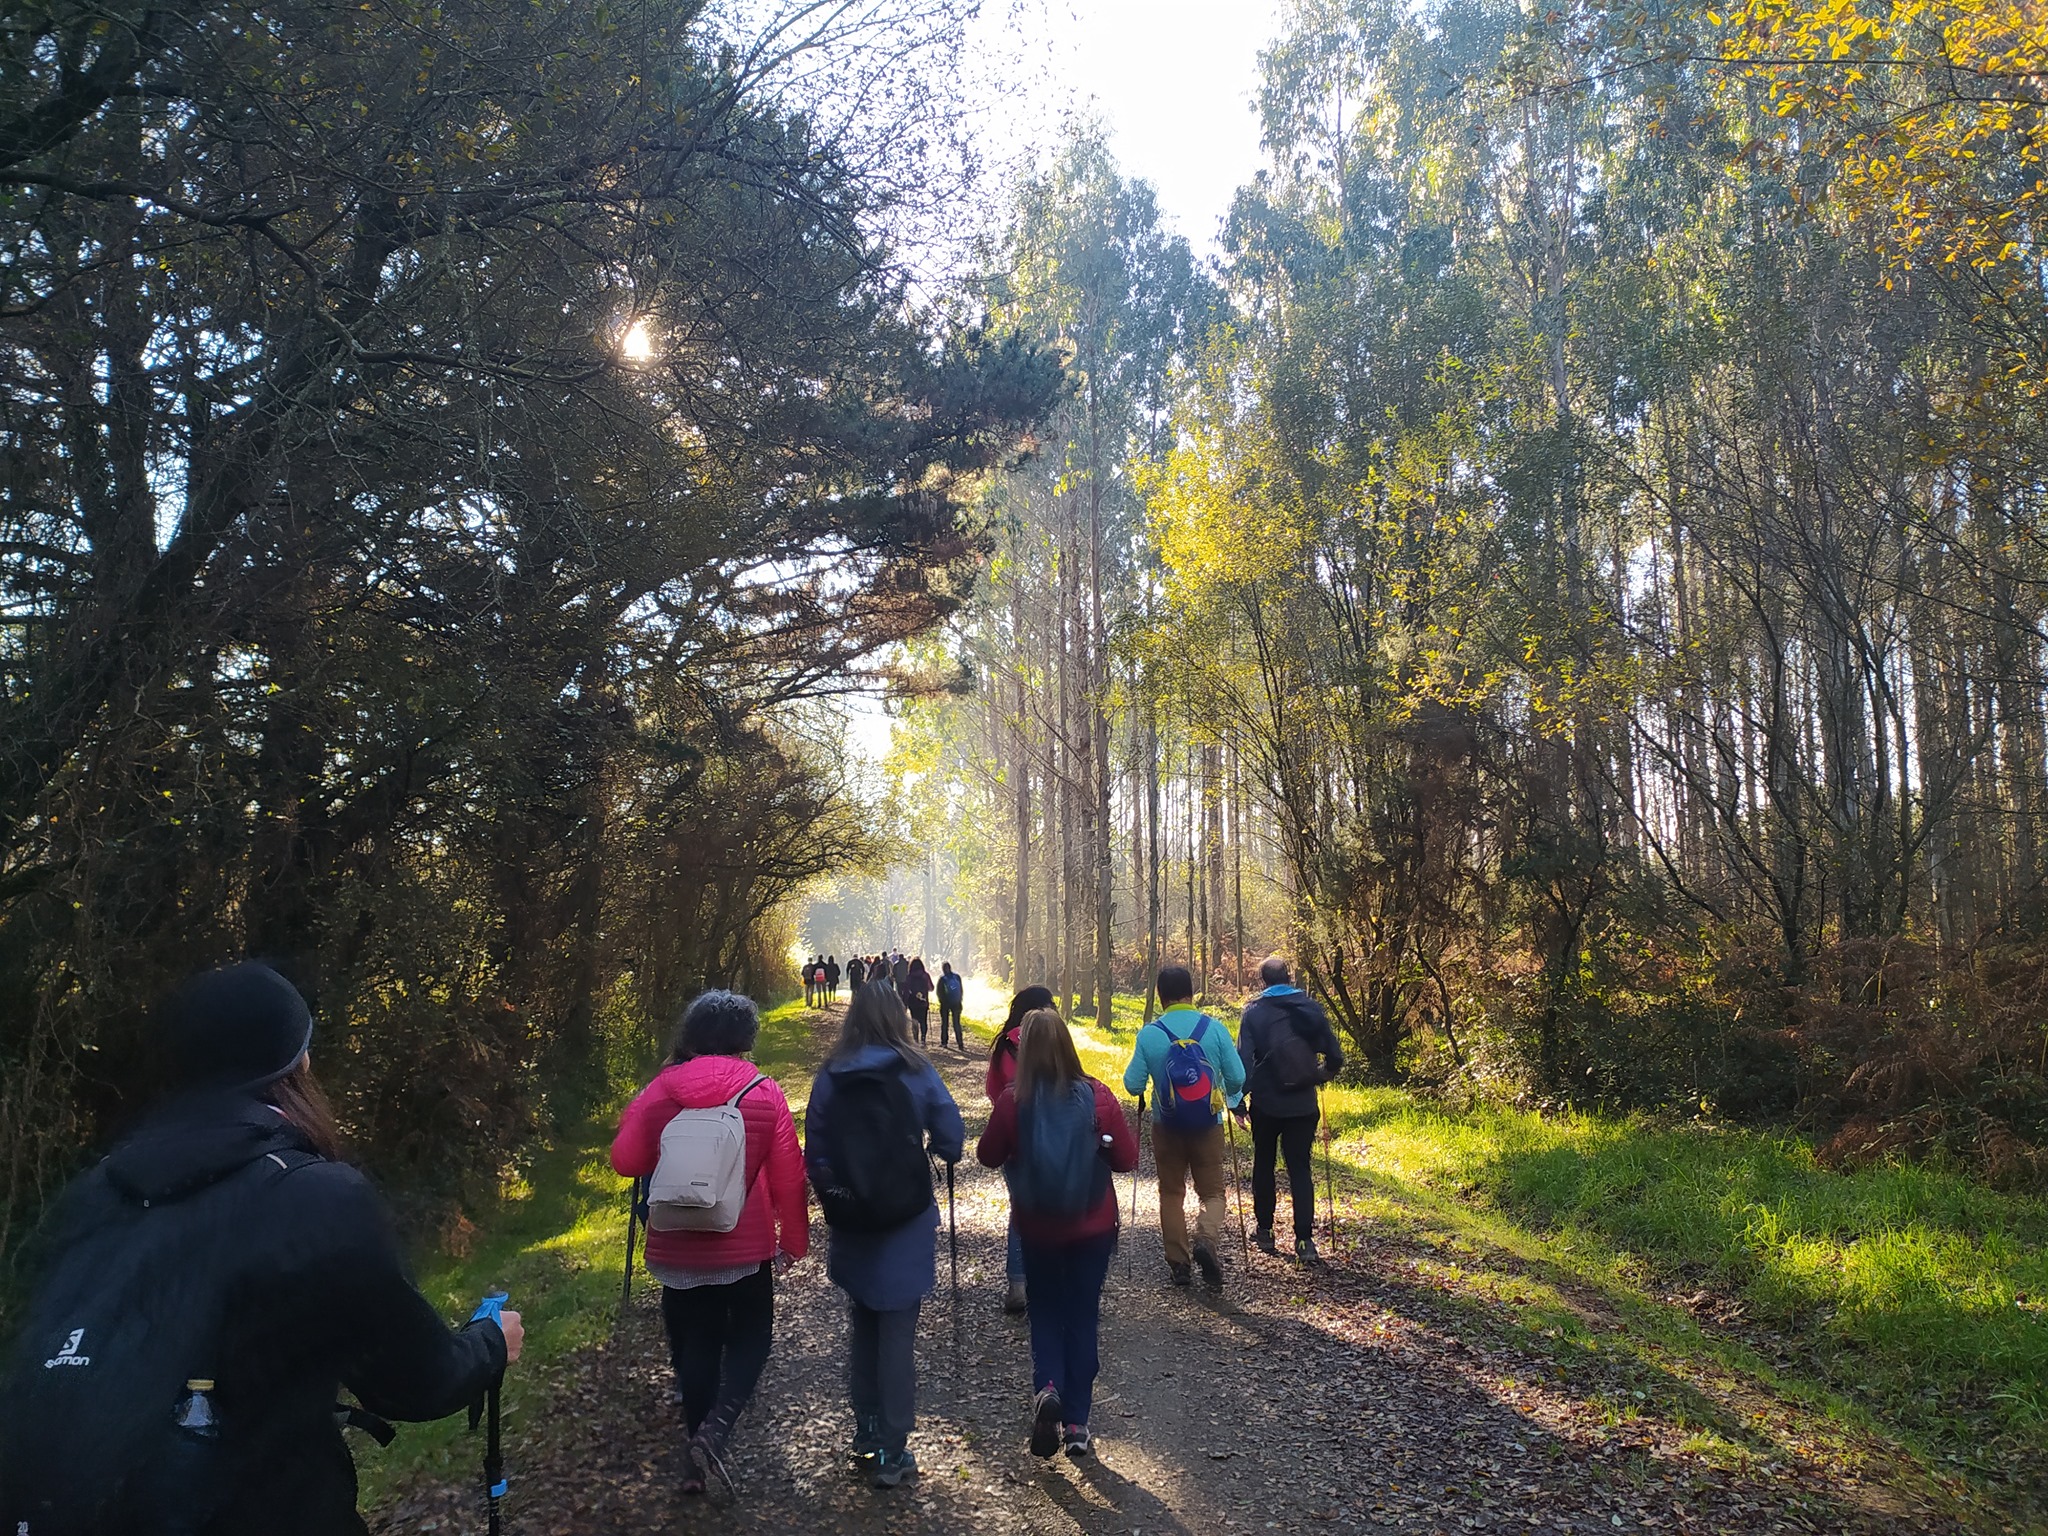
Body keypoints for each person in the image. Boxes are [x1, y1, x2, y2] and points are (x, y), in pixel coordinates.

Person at [0, 962, 523, 1536]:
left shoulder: (93, 1193)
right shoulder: (314, 1195)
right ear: (296, 1064)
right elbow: (415, 1381)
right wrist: (491, 1343)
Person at [609, 989, 807, 1495]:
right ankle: (716, 1432)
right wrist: (795, 1242)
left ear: (690, 1035)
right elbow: (788, 1179)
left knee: (694, 1345)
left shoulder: (661, 1090)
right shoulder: (763, 1092)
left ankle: (697, 1448)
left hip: (676, 1245)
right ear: (746, 1037)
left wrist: (640, 1114)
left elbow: (626, 1162)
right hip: (746, 1243)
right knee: (753, 1339)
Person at [804, 982, 964, 1488]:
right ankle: (894, 1452)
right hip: (905, 1219)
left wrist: (842, 1196)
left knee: (863, 1323)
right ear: (897, 1016)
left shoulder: (831, 1075)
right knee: (897, 1333)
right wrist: (936, 1148)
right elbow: (953, 1140)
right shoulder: (915, 1070)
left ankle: (866, 1431)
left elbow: (816, 1154)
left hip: (854, 1220)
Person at [976, 1007, 1137, 1460]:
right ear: (1068, 1044)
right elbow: (1127, 1159)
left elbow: (988, 1156)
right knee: (1083, 1314)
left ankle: (1047, 1387)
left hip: (1039, 1226)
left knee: (1045, 1311)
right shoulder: (1098, 1097)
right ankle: (1078, 1426)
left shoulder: (1013, 1100)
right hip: (1093, 1225)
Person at [1122, 964, 1246, 1292]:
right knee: (1213, 1192)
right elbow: (1238, 1077)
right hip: (1208, 1125)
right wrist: (1223, 1088)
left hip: (1167, 1125)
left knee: (1171, 1193)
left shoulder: (1150, 1034)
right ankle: (1206, 1238)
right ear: (1191, 993)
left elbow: (1133, 1084)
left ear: (1160, 997)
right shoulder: (1215, 1029)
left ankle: (1179, 1263)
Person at [1235, 956, 1345, 1266]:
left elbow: (1243, 1063)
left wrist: (1237, 1102)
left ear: (1262, 981)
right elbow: (1335, 1056)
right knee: (1300, 1167)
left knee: (1264, 1162)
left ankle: (1266, 1231)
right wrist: (1320, 1074)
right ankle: (1304, 1240)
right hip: (1303, 1103)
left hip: (1267, 1103)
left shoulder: (1254, 1012)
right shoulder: (1310, 1008)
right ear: (1290, 976)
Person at [985, 984, 1054, 1313]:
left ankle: (1017, 1282)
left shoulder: (1003, 1046)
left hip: (1014, 1143)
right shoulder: (1052, 1040)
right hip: (1052, 1140)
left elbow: (992, 1090)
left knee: (1020, 1210)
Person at [902, 958, 933, 1045]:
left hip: (913, 1003)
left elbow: (906, 990)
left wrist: (905, 1003)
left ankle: (916, 1039)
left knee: (914, 1020)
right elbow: (931, 988)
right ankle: (923, 1038)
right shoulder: (925, 975)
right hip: (923, 1002)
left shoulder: (909, 977)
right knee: (923, 1021)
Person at [936, 962, 965, 1051]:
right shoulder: (957, 977)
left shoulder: (942, 979)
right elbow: (961, 990)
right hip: (956, 1003)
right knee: (956, 1023)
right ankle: (960, 1043)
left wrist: (941, 1001)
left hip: (945, 1004)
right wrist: (959, 999)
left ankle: (944, 1042)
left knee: (945, 1023)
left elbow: (939, 992)